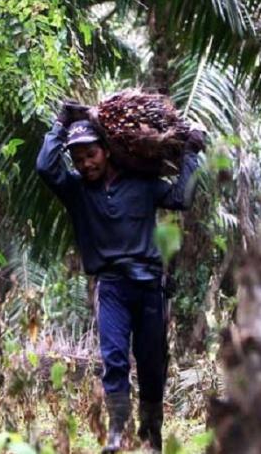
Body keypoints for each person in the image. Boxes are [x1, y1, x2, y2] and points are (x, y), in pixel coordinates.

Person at [36, 107, 205, 453]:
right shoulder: (76, 191)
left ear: (107, 150)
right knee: (114, 358)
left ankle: (152, 435)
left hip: (149, 288)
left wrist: (191, 152)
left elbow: (181, 198)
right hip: (111, 287)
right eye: (79, 159)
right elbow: (44, 166)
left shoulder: (141, 184)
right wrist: (60, 122)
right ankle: (117, 431)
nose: (86, 164)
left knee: (151, 364)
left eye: (91, 155)